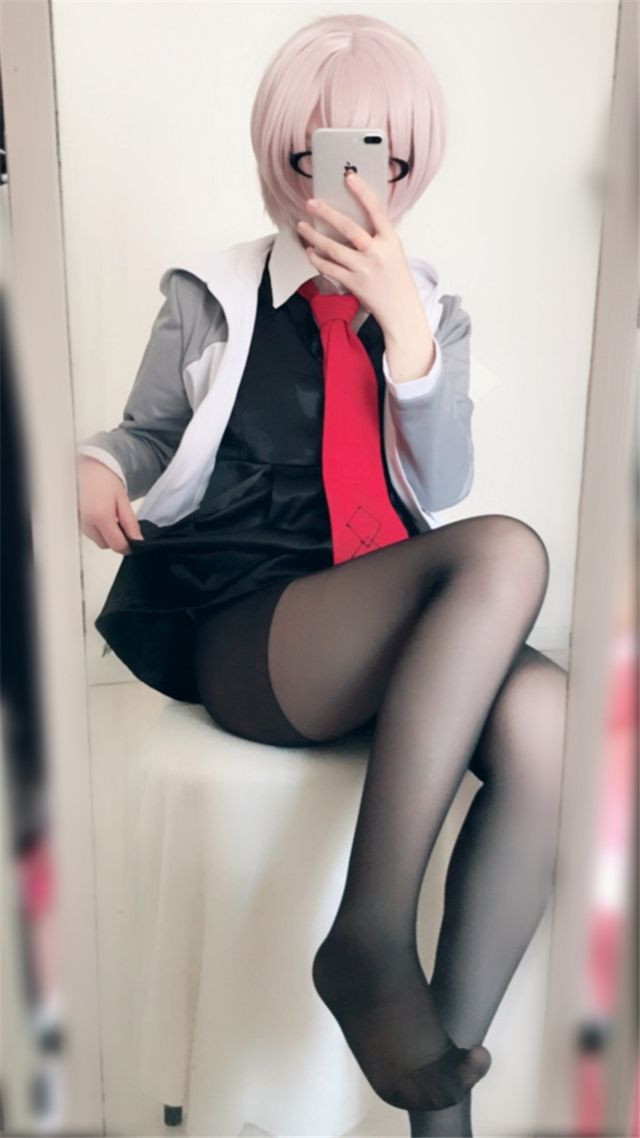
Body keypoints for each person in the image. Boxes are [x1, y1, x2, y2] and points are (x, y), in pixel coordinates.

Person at [77, 14, 568, 1137]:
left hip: (380, 612)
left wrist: (405, 330)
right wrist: (95, 464)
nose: (348, 180)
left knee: (550, 721)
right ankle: (370, 935)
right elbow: (147, 435)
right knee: (508, 550)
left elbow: (442, 478)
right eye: (321, 151)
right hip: (250, 621)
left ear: (410, 164)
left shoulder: (431, 310)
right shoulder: (211, 291)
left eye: (378, 155)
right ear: (281, 152)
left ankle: (439, 1111)